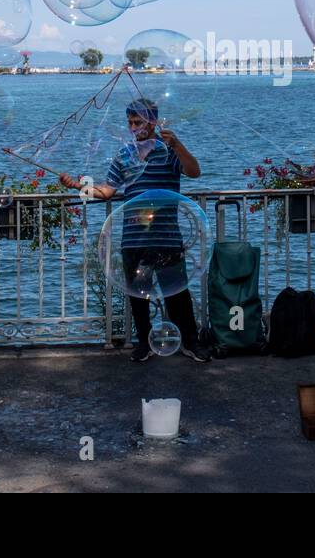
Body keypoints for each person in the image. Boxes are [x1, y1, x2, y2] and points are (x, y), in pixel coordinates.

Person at [59, 98, 211, 363]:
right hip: (133, 238)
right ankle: (144, 343)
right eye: (129, 122)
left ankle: (191, 343)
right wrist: (76, 186)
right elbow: (107, 191)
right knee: (138, 296)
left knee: (177, 294)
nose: (132, 127)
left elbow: (194, 171)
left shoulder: (169, 151)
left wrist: (177, 144)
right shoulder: (124, 155)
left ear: (152, 122)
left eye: (137, 122)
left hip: (166, 237)